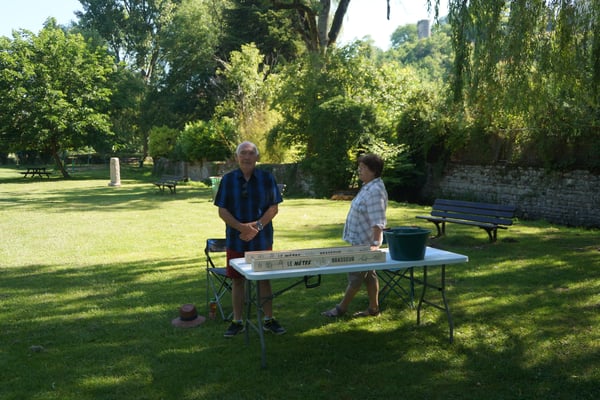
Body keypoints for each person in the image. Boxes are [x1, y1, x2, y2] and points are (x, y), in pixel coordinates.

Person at [214, 141, 286, 337]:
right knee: (237, 280)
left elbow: (274, 208)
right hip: (236, 239)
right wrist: (242, 228)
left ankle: (269, 319)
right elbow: (222, 210)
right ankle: (237, 321)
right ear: (237, 157)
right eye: (243, 153)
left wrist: (257, 228)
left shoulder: (267, 178)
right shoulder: (228, 180)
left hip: (262, 239)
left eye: (250, 153)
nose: (246, 157)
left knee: (264, 278)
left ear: (257, 157)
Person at [322, 154, 388, 318]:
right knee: (369, 275)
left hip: (365, 244)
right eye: (360, 167)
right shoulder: (368, 187)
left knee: (355, 277)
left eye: (363, 168)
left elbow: (378, 220)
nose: (359, 170)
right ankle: (374, 309)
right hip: (360, 241)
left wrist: (375, 243)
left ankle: (341, 308)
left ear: (373, 171)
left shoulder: (375, 191)